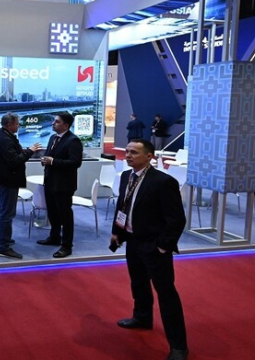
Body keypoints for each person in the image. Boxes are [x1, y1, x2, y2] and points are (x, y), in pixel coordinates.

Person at [110, 138, 188, 360]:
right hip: (132, 241)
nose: (128, 155)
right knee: (138, 284)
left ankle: (179, 346)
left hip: (154, 246)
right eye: (127, 151)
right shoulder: (126, 176)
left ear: (149, 156)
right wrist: (117, 231)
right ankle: (142, 317)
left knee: (166, 294)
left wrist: (163, 246)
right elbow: (123, 205)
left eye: (134, 152)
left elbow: (176, 220)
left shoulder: (163, 182)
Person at [0, 113, 41, 260]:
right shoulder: (5, 139)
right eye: (17, 124)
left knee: (3, 210)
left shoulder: (4, 136)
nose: (18, 126)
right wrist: (30, 151)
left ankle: (0, 238)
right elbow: (14, 161)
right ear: (9, 125)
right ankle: (4, 246)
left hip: (5, 179)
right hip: (8, 180)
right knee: (7, 213)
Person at [36, 112, 83, 258]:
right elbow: (50, 156)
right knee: (52, 212)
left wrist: (53, 162)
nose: (53, 123)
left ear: (66, 125)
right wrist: (45, 160)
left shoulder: (73, 140)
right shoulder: (52, 138)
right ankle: (54, 237)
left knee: (65, 215)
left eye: (57, 121)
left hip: (64, 185)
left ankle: (66, 246)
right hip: (50, 181)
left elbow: (75, 162)